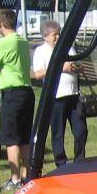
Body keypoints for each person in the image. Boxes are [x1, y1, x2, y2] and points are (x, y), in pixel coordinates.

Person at [0, 8, 33, 190]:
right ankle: (27, 175)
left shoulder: (2, 43)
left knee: (12, 138)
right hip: (27, 91)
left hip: (12, 93)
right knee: (25, 136)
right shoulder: (23, 41)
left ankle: (15, 178)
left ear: (0, 24)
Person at [31, 19, 87, 167]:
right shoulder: (40, 51)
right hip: (56, 98)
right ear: (45, 36)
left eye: (59, 34)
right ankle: (61, 163)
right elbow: (38, 74)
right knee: (58, 133)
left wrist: (76, 67)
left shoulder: (68, 48)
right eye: (54, 35)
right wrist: (61, 68)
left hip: (73, 96)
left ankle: (79, 160)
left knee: (81, 130)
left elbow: (80, 66)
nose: (57, 37)